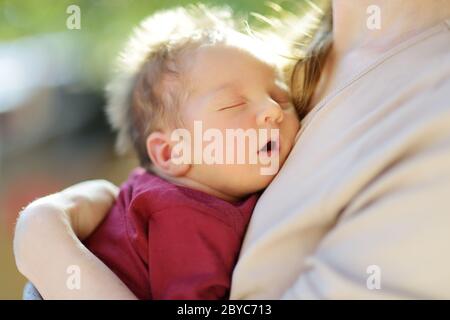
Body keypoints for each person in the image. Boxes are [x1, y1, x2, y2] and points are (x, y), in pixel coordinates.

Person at [14, 0, 450, 299]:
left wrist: (46, 238)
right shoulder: (185, 214)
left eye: (280, 100)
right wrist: (48, 225)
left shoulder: (428, 104)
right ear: (171, 153)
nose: (273, 113)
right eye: (235, 104)